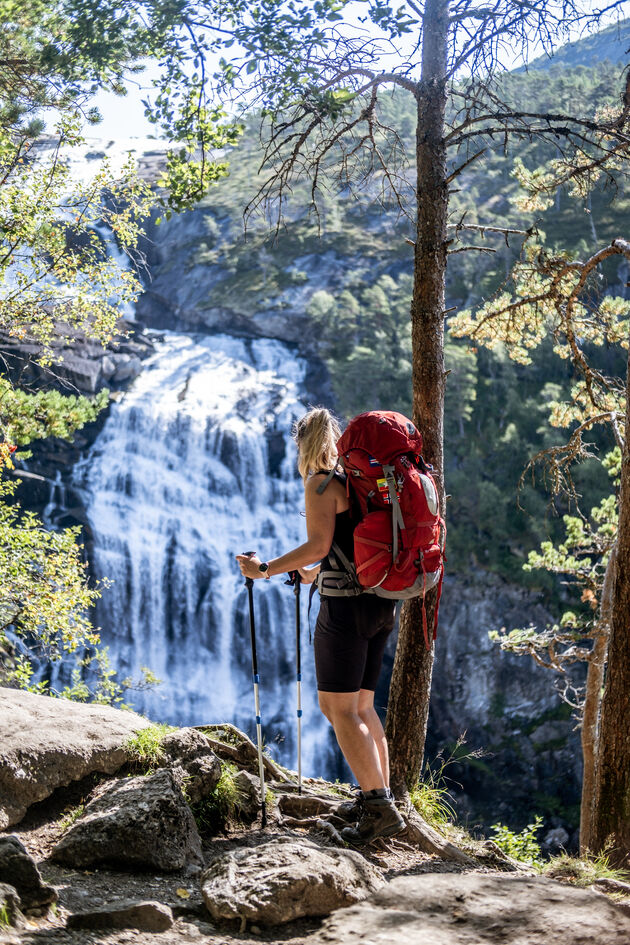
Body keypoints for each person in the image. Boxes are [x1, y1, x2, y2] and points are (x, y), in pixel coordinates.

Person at [236, 406, 405, 844]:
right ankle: (379, 798)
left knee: (337, 709)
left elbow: (317, 544)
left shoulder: (319, 483)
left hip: (345, 611)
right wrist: (310, 574)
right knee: (363, 707)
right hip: (378, 606)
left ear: (302, 445)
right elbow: (344, 547)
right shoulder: (356, 481)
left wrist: (266, 568)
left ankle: (378, 806)